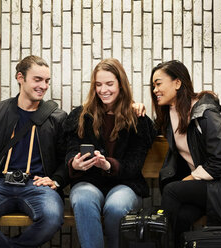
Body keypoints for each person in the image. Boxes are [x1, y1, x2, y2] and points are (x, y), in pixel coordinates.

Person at [0, 55, 68, 248]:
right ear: (20, 77)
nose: (43, 86)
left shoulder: (57, 117)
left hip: (38, 186)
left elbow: (66, 156)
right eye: (37, 80)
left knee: (52, 217)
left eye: (47, 81)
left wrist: (56, 178)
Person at [150, 60, 221, 246]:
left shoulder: (204, 113)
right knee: (182, 216)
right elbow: (149, 133)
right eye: (153, 85)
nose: (155, 90)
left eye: (158, 83)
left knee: (172, 190)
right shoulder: (170, 114)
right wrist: (137, 109)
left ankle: (158, 244)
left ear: (177, 83)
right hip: (205, 187)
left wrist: (192, 178)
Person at [63, 58, 156, 248]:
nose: (103, 90)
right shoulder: (81, 116)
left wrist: (108, 165)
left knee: (116, 207)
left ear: (121, 84)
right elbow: (71, 149)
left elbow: (134, 164)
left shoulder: (136, 119)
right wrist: (74, 163)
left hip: (125, 184)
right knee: (82, 200)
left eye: (109, 84)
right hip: (88, 181)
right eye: (98, 84)